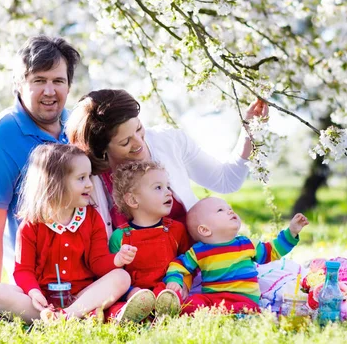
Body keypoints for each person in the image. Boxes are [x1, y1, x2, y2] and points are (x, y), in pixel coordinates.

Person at [65, 89, 268, 239]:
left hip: (193, 262)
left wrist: (249, 128)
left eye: (138, 128)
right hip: (136, 277)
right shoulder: (88, 175)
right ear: (102, 150)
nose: (139, 143)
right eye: (125, 142)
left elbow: (227, 181)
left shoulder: (168, 142)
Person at [0, 144, 149, 323]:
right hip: (42, 301)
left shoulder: (91, 217)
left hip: (82, 296)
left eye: (89, 177)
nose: (89, 184)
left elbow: (97, 262)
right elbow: (23, 270)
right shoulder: (31, 225)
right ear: (55, 183)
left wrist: (116, 260)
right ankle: (63, 317)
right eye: (81, 178)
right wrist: (34, 293)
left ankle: (66, 316)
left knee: (121, 277)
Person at [0, 36, 80, 296]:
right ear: (19, 84)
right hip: (34, 277)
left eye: (58, 81)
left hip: (85, 264)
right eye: (39, 81)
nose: (49, 91)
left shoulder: (77, 124)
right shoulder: (0, 137)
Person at [163, 197, 309, 314]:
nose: (230, 211)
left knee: (246, 310)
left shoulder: (247, 244)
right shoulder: (199, 251)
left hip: (243, 298)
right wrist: (175, 280)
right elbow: (178, 265)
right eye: (221, 210)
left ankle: (231, 314)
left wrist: (291, 232)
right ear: (205, 230)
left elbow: (273, 250)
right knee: (191, 303)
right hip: (212, 298)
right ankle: (212, 313)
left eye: (230, 208)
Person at [108, 160, 191, 319]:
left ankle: (165, 311)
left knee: (175, 298)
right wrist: (129, 291)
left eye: (168, 186)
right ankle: (125, 316)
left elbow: (186, 262)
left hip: (166, 288)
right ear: (132, 200)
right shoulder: (120, 236)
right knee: (114, 308)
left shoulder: (176, 230)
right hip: (135, 294)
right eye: (158, 187)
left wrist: (181, 283)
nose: (169, 192)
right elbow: (114, 273)